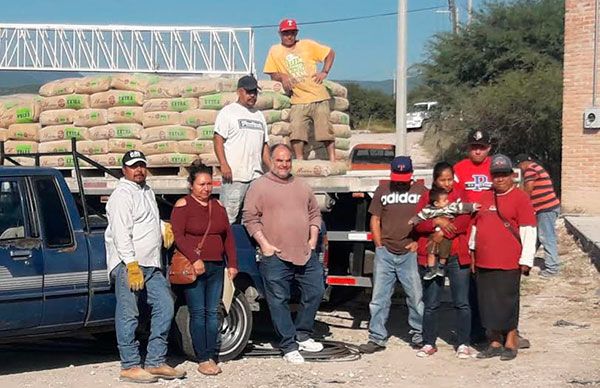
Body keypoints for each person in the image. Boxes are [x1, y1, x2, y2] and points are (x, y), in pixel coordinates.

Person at [105, 150, 186, 383]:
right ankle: (129, 364)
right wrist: (130, 264)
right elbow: (121, 232)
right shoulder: (122, 195)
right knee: (129, 313)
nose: (138, 170)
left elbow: (146, 219)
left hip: (151, 264)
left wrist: (163, 227)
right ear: (124, 170)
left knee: (165, 304)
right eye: (133, 166)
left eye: (141, 165)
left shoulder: (146, 191)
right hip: (129, 264)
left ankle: (155, 361)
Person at [242, 143, 325, 364]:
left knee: (316, 290)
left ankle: (303, 334)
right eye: (279, 160)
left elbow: (315, 214)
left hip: (305, 253)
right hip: (276, 255)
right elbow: (250, 218)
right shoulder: (260, 186)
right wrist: (265, 244)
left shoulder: (302, 186)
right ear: (271, 161)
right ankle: (288, 346)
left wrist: (313, 238)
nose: (284, 164)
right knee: (278, 300)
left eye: (287, 160)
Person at [171, 161, 238, 375]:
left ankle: (211, 354)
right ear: (192, 185)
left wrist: (233, 264)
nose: (206, 188)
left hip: (217, 266)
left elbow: (227, 237)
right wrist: (194, 258)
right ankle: (202, 357)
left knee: (213, 312)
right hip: (194, 267)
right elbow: (178, 236)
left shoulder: (218, 207)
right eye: (201, 184)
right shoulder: (183, 205)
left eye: (209, 184)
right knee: (198, 313)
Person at [470, 154, 537, 361]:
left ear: (511, 176)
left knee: (508, 302)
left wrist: (526, 260)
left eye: (503, 174)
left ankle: (510, 341)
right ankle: (495, 342)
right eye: (496, 175)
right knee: (488, 303)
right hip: (484, 261)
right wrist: (472, 251)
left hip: (509, 262)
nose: (499, 179)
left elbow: (528, 230)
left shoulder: (521, 198)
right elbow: (475, 226)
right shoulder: (484, 197)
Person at [358, 156, 426, 354]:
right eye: (396, 177)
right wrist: (379, 245)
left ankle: (419, 335)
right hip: (385, 252)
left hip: (409, 253)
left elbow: (429, 218)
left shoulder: (421, 192)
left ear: (411, 175)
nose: (399, 181)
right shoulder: (383, 190)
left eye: (403, 178)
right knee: (379, 298)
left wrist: (418, 243)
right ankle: (377, 337)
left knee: (415, 297)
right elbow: (375, 219)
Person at [414, 162, 477, 359]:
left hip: (457, 255)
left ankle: (463, 342)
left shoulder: (460, 193)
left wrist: (444, 232)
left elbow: (465, 218)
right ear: (435, 180)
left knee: (461, 302)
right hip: (431, 255)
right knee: (431, 302)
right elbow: (418, 223)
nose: (447, 183)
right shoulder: (427, 196)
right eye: (442, 179)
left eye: (450, 179)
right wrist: (435, 222)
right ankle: (429, 342)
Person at [263, 18, 336, 162]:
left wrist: (324, 72)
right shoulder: (275, 50)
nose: (289, 36)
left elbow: (330, 53)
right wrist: (282, 76)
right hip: (298, 98)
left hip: (318, 96)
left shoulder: (307, 44)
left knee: (325, 131)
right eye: (285, 33)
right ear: (280, 34)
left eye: (292, 33)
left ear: (296, 33)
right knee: (296, 130)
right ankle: (300, 160)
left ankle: (333, 159)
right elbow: (271, 73)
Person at [214, 75, 270, 224]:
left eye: (255, 92)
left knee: (254, 218)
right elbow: (218, 139)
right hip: (235, 176)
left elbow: (264, 145)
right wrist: (223, 164)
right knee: (228, 218)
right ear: (239, 91)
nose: (252, 95)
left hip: (255, 176)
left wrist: (272, 169)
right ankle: (226, 246)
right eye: (249, 92)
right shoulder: (228, 112)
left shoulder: (259, 116)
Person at [410, 185, 479, 280]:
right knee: (431, 252)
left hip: (448, 237)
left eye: (450, 179)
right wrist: (430, 221)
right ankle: (431, 270)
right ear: (436, 203)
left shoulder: (450, 207)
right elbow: (420, 218)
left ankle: (440, 267)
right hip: (432, 236)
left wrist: (473, 206)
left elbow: (462, 208)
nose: (447, 201)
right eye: (442, 180)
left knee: (444, 252)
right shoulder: (429, 208)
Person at [514, 153, 561, 277]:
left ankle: (552, 268)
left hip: (545, 209)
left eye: (519, 166)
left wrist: (518, 199)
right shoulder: (537, 167)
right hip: (547, 208)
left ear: (522, 164)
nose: (520, 169)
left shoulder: (530, 170)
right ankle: (525, 260)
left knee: (546, 237)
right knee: (536, 237)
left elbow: (528, 189)